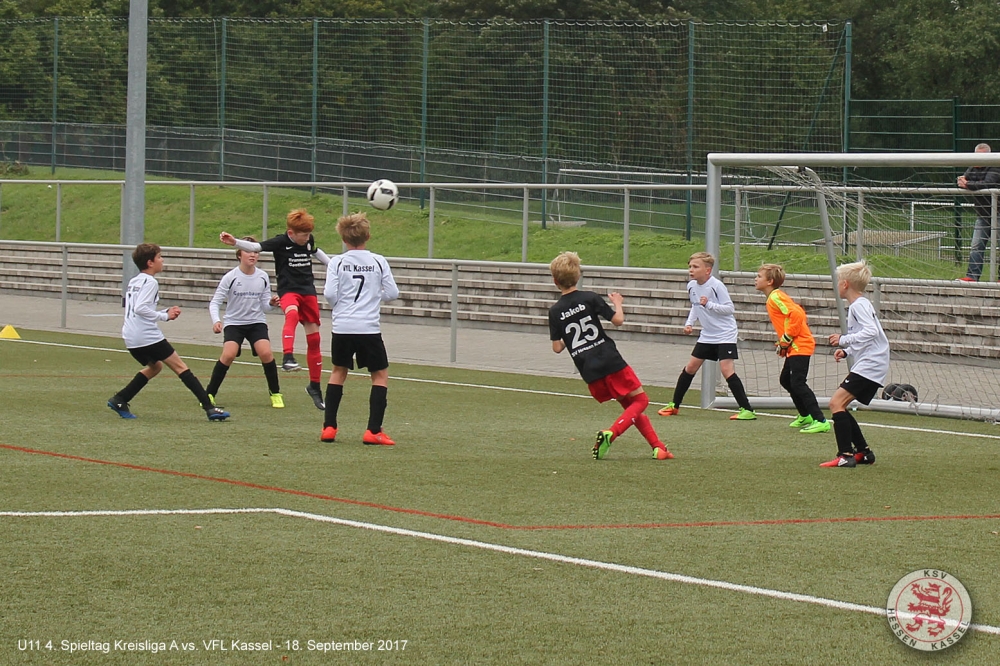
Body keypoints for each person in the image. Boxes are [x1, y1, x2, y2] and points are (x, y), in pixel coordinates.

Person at [548, 251, 672, 461]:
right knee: (641, 401)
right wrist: (618, 303)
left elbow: (557, 348)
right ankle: (611, 433)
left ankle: (658, 447)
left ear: (555, 281)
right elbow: (618, 321)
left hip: (588, 369)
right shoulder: (590, 298)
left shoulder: (555, 311)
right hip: (609, 359)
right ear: (578, 275)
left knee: (630, 407)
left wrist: (567, 336)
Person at [220, 209, 330, 411]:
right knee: (292, 313)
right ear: (291, 233)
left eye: (308, 234)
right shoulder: (281, 242)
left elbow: (317, 253)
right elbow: (255, 246)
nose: (306, 238)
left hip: (308, 291)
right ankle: (288, 357)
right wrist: (235, 242)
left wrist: (336, 266)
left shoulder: (308, 240)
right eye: (303, 235)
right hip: (289, 290)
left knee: (315, 339)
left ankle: (314, 386)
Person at [107, 244, 230, 421]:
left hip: (130, 336)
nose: (162, 260)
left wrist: (165, 312)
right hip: (146, 335)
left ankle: (120, 399)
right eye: (159, 257)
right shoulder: (151, 282)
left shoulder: (134, 281)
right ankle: (210, 408)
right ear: (150, 262)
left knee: (155, 367)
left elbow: (137, 308)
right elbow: (141, 308)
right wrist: (164, 316)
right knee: (180, 367)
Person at [320, 212, 400, 445]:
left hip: (343, 326)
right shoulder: (378, 261)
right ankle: (373, 430)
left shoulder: (337, 262)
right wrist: (373, 296)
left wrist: (341, 306)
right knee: (379, 375)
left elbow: (329, 293)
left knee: (338, 371)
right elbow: (393, 293)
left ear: (343, 239)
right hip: (368, 327)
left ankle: (329, 427)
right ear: (368, 236)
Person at [658, 252, 756, 420]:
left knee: (726, 370)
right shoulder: (691, 286)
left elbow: (729, 309)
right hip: (708, 335)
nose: (691, 270)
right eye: (690, 266)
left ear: (707, 270)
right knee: (690, 368)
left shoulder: (716, 286)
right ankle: (674, 405)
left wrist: (709, 304)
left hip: (725, 333)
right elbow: (695, 306)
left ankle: (747, 410)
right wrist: (689, 323)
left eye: (695, 267)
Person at [205, 236, 284, 408]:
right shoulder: (231, 277)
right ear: (239, 254)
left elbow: (264, 307)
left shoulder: (262, 276)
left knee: (266, 353)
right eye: (248, 251)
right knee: (228, 355)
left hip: (256, 322)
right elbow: (215, 302)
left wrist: (271, 304)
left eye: (255, 252)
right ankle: (209, 394)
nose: (253, 255)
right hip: (234, 323)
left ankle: (275, 393)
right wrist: (216, 321)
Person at [824, 260, 888, 468]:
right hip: (873, 361)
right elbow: (867, 338)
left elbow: (871, 332)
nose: (837, 284)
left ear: (845, 284)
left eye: (838, 281)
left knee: (836, 403)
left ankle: (845, 455)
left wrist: (843, 340)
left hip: (871, 364)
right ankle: (863, 452)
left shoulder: (859, 305)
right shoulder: (860, 304)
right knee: (840, 404)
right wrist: (848, 351)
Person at [754, 264, 829, 433]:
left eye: (759, 276)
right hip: (794, 346)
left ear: (770, 281)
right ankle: (805, 415)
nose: (755, 279)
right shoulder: (773, 297)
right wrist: (783, 343)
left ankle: (820, 420)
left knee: (798, 383)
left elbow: (797, 314)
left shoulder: (775, 297)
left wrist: (787, 339)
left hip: (800, 345)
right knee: (786, 380)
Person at [957, 143, 1000, 282]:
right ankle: (972, 276)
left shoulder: (995, 167)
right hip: (983, 214)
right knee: (976, 246)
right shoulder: (972, 168)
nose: (977, 160)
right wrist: (968, 183)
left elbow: (988, 184)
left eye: (981, 157)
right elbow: (962, 180)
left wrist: (969, 184)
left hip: (998, 213)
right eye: (976, 156)